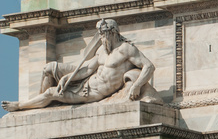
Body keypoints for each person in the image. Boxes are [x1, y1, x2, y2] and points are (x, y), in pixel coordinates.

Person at [3, 18, 155, 111]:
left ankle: (21, 106)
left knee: (50, 93)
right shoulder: (102, 50)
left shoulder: (126, 49)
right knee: (48, 69)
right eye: (101, 35)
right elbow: (88, 68)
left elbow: (149, 66)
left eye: (103, 35)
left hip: (92, 94)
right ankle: (37, 102)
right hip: (86, 83)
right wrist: (68, 77)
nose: (101, 38)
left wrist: (137, 85)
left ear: (113, 33)